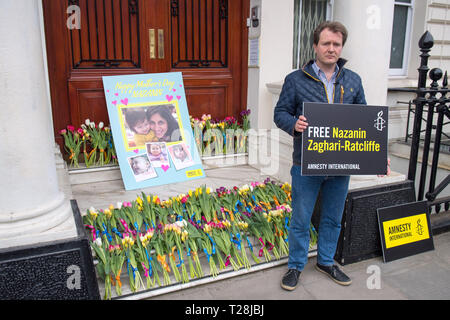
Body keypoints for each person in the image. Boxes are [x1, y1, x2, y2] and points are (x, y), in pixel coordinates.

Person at [274, 21, 368, 290]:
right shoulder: (295, 80)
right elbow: (280, 113)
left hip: (341, 163)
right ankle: (295, 266)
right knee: (301, 219)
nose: (331, 49)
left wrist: (376, 152)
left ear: (341, 47)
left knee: (333, 218)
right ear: (315, 46)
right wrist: (294, 124)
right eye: (326, 43)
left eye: (336, 44)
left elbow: (364, 120)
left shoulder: (353, 80)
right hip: (306, 163)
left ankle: (326, 261)